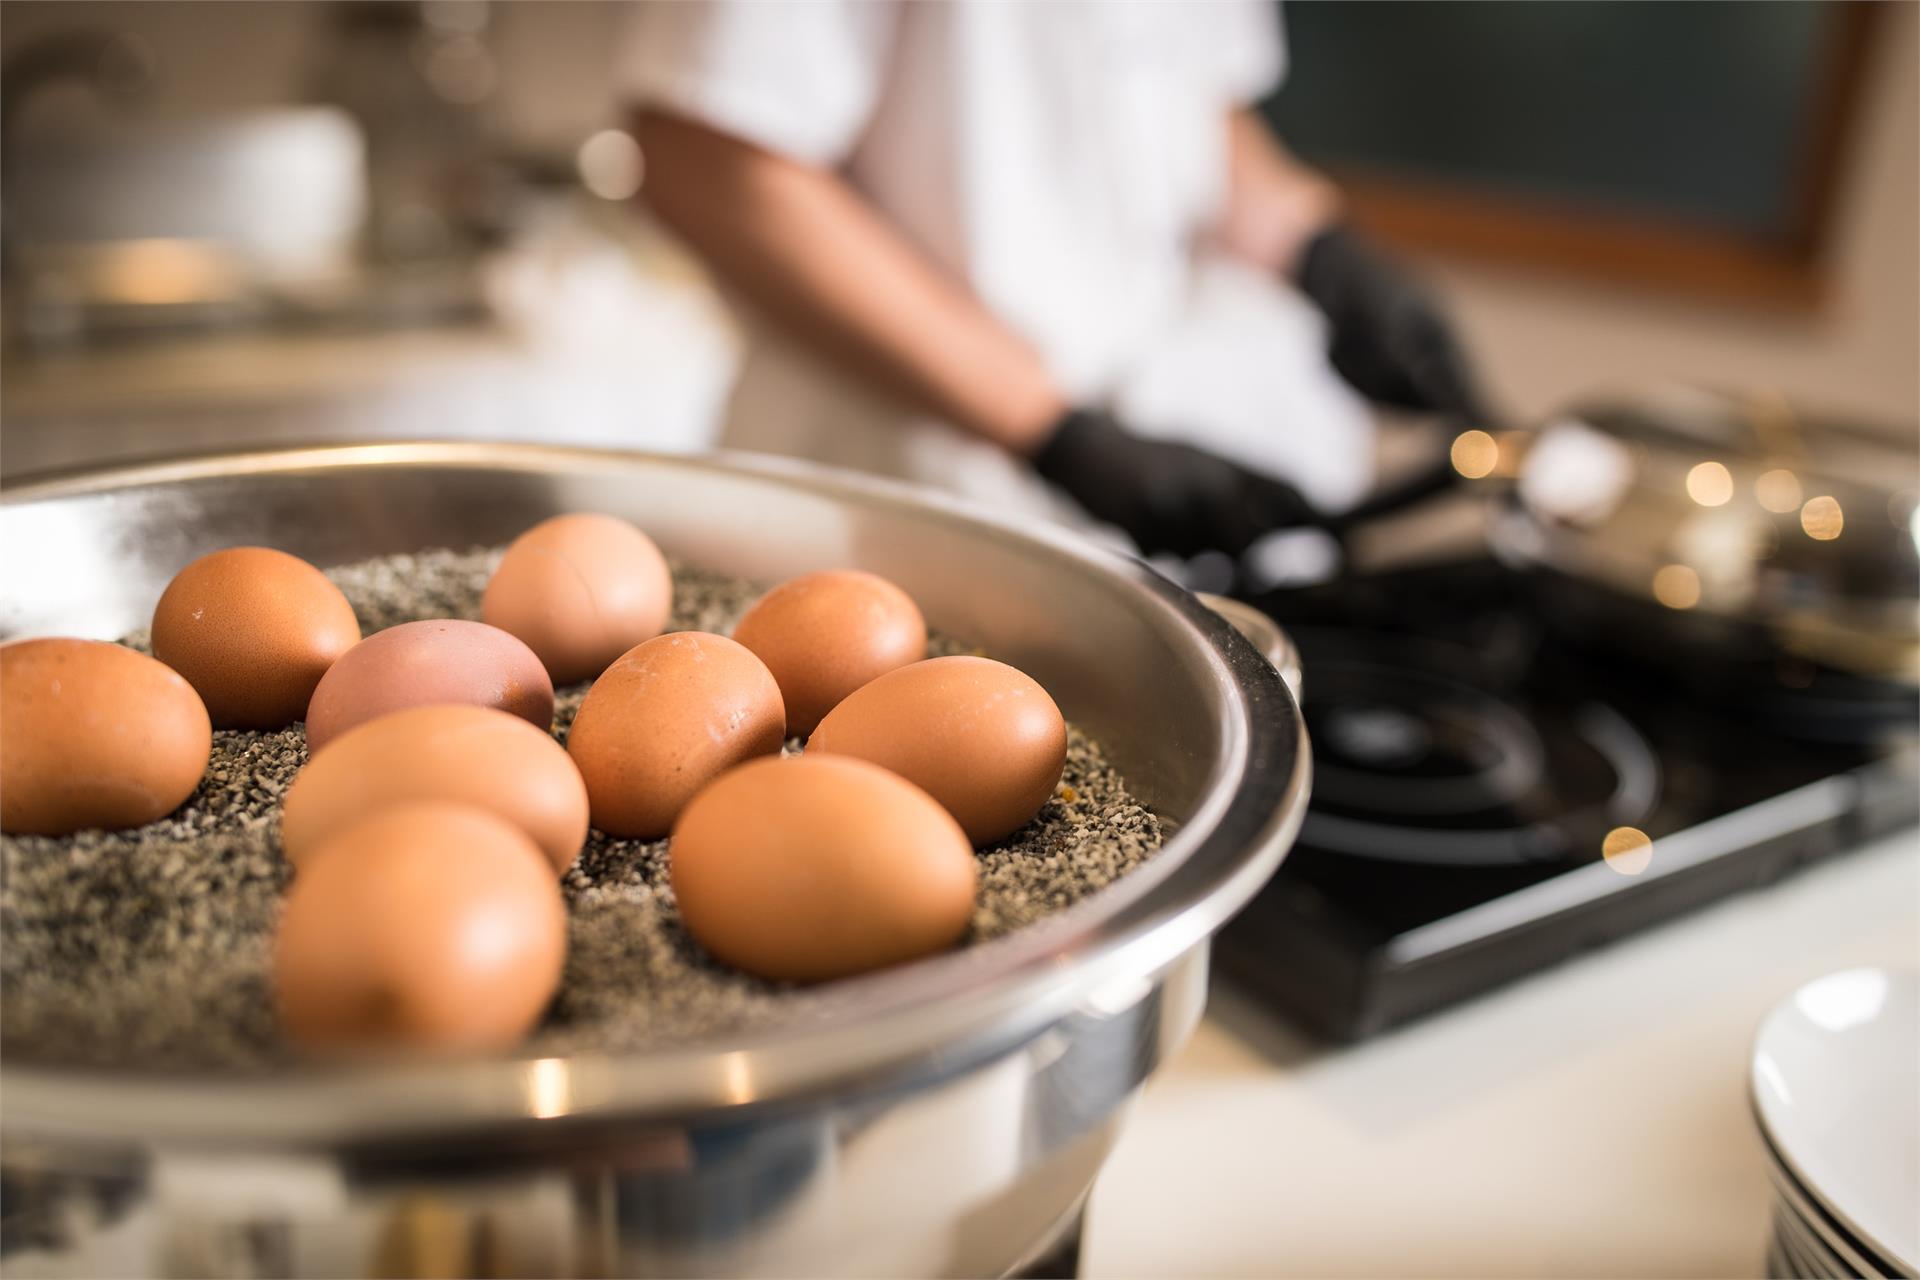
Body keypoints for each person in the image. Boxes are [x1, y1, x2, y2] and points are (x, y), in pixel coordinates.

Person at [621, 1, 1486, 561]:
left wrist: (1316, 248)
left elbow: (1184, 101)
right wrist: (1052, 432)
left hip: (1125, 466)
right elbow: (710, 158)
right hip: (900, 501)